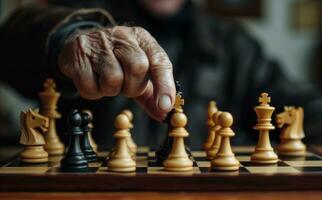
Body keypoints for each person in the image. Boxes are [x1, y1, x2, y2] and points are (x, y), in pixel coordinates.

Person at [0, 0, 321, 148]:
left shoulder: (234, 44)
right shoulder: (88, 13)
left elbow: (301, 105)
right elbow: (12, 39)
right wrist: (69, 37)